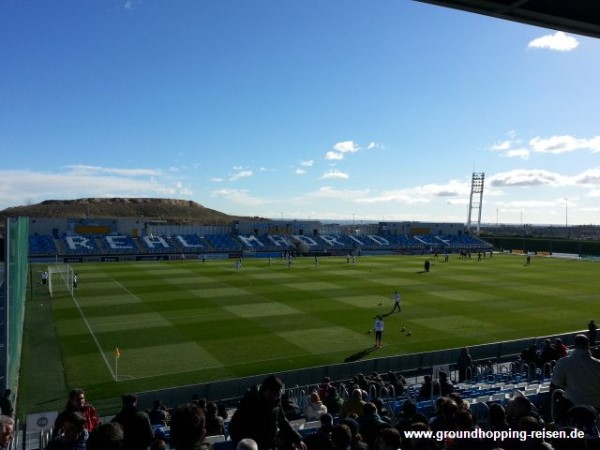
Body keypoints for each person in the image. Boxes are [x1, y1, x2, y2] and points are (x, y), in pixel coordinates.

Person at [228, 374, 304, 450]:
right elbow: (234, 427)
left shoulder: (275, 402)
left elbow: (282, 421)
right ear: (268, 391)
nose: (278, 397)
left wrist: (297, 439)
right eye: (276, 394)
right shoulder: (250, 402)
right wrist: (248, 445)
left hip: (270, 445)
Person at [551, 334, 600, 409]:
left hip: (573, 404)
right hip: (595, 405)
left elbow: (557, 382)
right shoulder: (597, 363)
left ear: (575, 345)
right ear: (588, 345)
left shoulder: (563, 362)